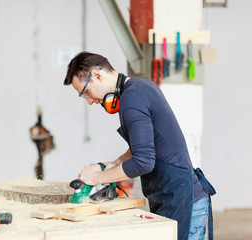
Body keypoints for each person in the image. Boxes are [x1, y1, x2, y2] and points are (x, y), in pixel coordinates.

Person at [63, 51, 216, 240]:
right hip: (172, 195)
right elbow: (146, 146)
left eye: (86, 92)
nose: (90, 101)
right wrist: (113, 163)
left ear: (97, 75)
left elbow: (144, 162)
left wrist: (97, 178)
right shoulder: (138, 89)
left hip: (183, 199)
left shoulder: (132, 98)